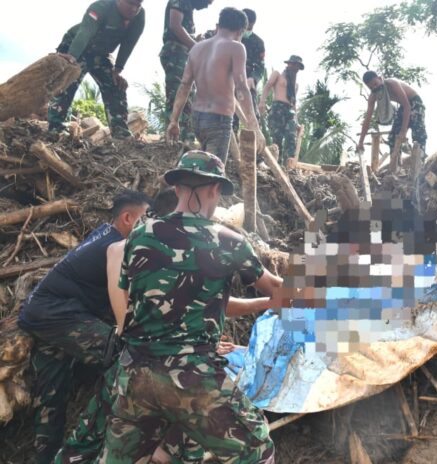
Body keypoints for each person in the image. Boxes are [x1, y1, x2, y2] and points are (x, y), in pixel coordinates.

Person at [98, 150, 279, 463]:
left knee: (122, 457)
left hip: (135, 374)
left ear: (177, 187)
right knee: (257, 450)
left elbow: (133, 295)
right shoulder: (228, 241)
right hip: (192, 377)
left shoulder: (139, 234)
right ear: (215, 189)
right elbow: (276, 288)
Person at [17, 191, 151, 464]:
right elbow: (126, 301)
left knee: (51, 390)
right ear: (128, 218)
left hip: (41, 314)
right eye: (146, 218)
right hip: (59, 313)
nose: (150, 225)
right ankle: (84, 443)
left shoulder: (104, 234)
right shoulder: (117, 247)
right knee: (123, 359)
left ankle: (44, 456)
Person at [166, 7, 264, 164]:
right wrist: (254, 125)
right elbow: (241, 87)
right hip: (219, 120)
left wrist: (174, 121)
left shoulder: (197, 48)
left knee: (203, 168)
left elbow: (184, 85)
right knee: (213, 173)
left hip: (197, 119)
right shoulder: (236, 48)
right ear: (240, 31)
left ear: (219, 24)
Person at [48, 0, 145, 139]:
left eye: (138, 5)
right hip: (75, 47)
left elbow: (129, 43)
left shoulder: (140, 16)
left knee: (115, 84)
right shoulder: (101, 7)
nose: (134, 9)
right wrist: (71, 57)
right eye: (130, 3)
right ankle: (57, 129)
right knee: (67, 82)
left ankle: (121, 135)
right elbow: (85, 32)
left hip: (101, 53)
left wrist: (117, 69)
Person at [160, 0, 215, 142]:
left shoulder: (188, 7)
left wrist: (196, 41)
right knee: (177, 95)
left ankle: (185, 138)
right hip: (175, 52)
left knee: (188, 97)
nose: (207, 6)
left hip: (182, 53)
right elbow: (175, 25)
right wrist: (195, 46)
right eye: (208, 2)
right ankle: (173, 139)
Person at [357, 71, 427, 159]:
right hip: (403, 107)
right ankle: (396, 163)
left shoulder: (392, 83)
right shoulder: (373, 96)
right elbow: (367, 120)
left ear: (380, 78)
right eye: (371, 87)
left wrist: (403, 132)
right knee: (393, 138)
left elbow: (407, 106)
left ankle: (420, 157)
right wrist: (361, 142)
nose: (375, 88)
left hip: (414, 102)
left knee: (417, 129)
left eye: (375, 84)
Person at [260, 55, 304, 165]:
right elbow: (267, 86)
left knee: (291, 138)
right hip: (277, 108)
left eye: (298, 67)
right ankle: (276, 165)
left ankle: (289, 166)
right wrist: (262, 102)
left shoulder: (295, 85)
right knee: (277, 139)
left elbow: (294, 103)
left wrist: (297, 122)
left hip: (290, 111)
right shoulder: (278, 74)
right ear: (289, 64)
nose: (296, 68)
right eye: (294, 65)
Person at [233, 8, 265, 133]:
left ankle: (256, 143)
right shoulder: (231, 37)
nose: (247, 29)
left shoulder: (258, 43)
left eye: (250, 27)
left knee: (253, 119)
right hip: (229, 83)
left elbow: (261, 66)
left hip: (247, 85)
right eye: (245, 26)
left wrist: (253, 78)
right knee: (230, 118)